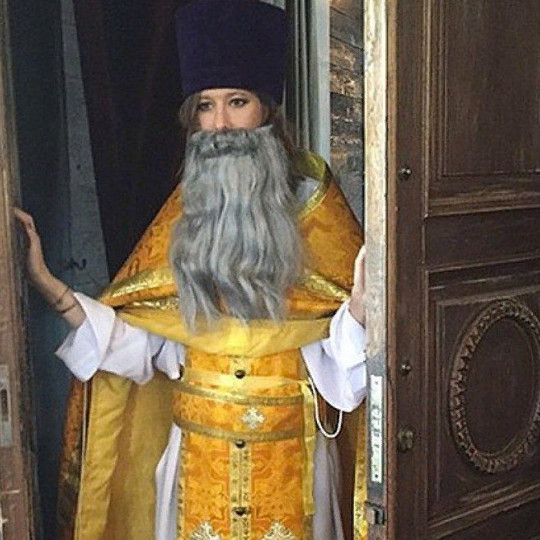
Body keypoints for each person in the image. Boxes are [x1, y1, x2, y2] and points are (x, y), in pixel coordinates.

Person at [16, 1, 367, 539]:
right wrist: (54, 290)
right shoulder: (184, 219)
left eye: (237, 102)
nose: (220, 125)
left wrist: (360, 311)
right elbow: (144, 345)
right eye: (206, 106)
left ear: (268, 112)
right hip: (194, 468)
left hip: (295, 466)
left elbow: (343, 379)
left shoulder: (319, 216)